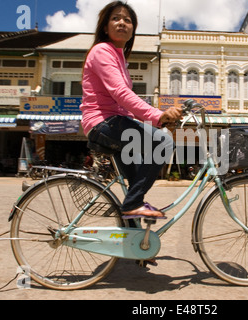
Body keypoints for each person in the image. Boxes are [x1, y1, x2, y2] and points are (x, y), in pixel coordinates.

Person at [80, 1, 182, 219]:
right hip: (103, 122)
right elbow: (120, 94)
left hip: (112, 123)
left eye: (127, 20)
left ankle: (137, 245)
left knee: (136, 185)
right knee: (163, 142)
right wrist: (158, 116)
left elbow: (125, 104)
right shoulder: (102, 51)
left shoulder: (119, 58)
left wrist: (160, 117)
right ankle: (132, 205)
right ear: (105, 26)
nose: (122, 23)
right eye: (116, 18)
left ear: (133, 29)